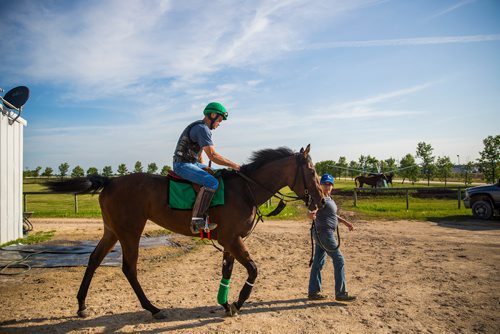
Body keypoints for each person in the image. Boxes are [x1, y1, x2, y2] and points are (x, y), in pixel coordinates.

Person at [173, 102, 240, 233]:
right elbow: (213, 156)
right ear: (213, 115)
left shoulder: (202, 128)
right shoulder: (202, 129)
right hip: (182, 165)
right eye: (219, 120)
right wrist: (235, 165)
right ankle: (197, 221)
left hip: (192, 163)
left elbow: (198, 153)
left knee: (217, 173)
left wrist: (203, 167)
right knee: (211, 182)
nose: (219, 124)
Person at [307, 173, 356, 301]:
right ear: (320, 185)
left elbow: (333, 215)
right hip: (324, 234)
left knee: (318, 261)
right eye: (325, 183)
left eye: (330, 184)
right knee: (339, 259)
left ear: (332, 186)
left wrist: (345, 222)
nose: (327, 186)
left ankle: (313, 292)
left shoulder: (329, 198)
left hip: (321, 234)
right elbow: (313, 210)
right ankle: (340, 293)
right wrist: (311, 215)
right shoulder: (320, 198)